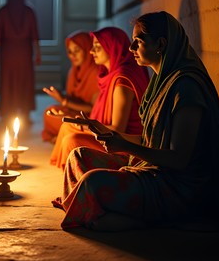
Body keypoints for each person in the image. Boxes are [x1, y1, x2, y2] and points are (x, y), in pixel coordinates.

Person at [54, 11, 219, 231]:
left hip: (175, 186)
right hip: (149, 167)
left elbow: (179, 159)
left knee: (92, 183)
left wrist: (124, 146)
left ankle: (136, 220)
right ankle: (101, 214)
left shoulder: (186, 88)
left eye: (138, 42)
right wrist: (110, 134)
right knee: (78, 156)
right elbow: (150, 139)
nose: (131, 49)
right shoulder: (161, 81)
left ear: (160, 44)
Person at [49, 26, 149, 169]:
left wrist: (84, 125)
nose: (91, 51)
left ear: (112, 47)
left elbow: (117, 130)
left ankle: (79, 179)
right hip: (105, 133)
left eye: (97, 47)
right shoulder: (109, 74)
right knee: (66, 126)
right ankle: (72, 172)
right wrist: (76, 120)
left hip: (123, 145)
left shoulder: (122, 80)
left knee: (72, 140)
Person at [0, 0, 41, 126]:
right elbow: (35, 36)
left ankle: (8, 112)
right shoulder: (29, 11)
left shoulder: (3, 11)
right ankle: (25, 112)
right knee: (25, 82)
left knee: (8, 82)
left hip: (8, 53)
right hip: (24, 53)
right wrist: (38, 53)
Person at [41, 31, 99, 143]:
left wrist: (64, 101)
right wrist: (62, 101)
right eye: (70, 52)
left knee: (70, 124)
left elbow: (93, 109)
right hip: (74, 113)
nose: (73, 55)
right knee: (50, 112)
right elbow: (70, 101)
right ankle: (63, 134)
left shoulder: (95, 72)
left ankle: (64, 136)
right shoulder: (72, 71)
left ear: (87, 49)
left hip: (89, 118)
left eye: (77, 50)